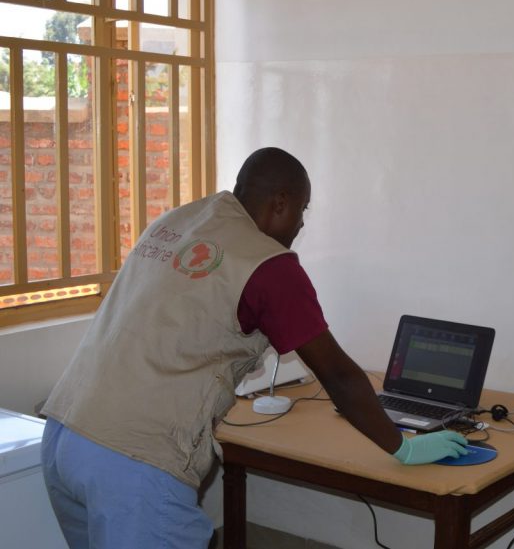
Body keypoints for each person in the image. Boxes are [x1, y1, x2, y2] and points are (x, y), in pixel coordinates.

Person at [40, 147, 468, 549]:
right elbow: (338, 375)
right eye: (302, 210)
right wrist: (402, 446)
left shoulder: (179, 220)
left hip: (66, 433)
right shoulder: (268, 265)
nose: (301, 225)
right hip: (133, 460)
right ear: (281, 202)